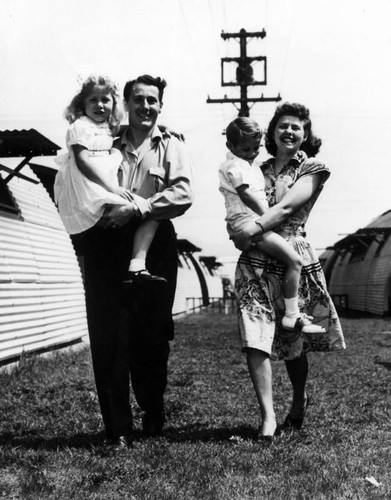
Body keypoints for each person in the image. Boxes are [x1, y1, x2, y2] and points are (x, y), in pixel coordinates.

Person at [80, 74, 193, 449]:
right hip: (106, 242)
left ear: (161, 106)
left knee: (152, 334)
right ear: (125, 104)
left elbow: (182, 193)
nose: (146, 107)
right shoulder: (102, 141)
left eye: (153, 101)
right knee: (109, 335)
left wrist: (137, 207)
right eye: (139, 100)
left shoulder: (172, 145)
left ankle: (152, 408)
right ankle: (118, 428)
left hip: (156, 242)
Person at [231, 103, 346, 441]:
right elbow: (236, 201)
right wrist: (237, 230)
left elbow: (287, 207)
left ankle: (298, 399)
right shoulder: (255, 167)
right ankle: (267, 416)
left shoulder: (312, 167)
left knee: (293, 341)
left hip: (292, 258)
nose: (289, 132)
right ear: (272, 132)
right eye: (283, 126)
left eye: (296, 127)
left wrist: (249, 231)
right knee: (255, 337)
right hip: (255, 262)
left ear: (306, 134)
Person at [219, 117, 325, 334]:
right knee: (294, 262)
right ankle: (292, 316)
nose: (252, 153)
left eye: (255, 148)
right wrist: (266, 219)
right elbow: (247, 195)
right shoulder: (239, 166)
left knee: (293, 348)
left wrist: (300, 153)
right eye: (246, 149)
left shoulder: (253, 165)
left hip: (253, 227)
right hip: (253, 225)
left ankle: (292, 315)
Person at [54, 74, 165, 282]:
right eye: (93, 100)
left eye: (105, 100)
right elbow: (82, 161)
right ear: (82, 104)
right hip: (87, 183)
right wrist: (111, 187)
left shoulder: (105, 126)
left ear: (114, 104)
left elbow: (121, 129)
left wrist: (160, 128)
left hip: (99, 182)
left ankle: (134, 264)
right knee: (138, 207)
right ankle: (133, 264)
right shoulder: (79, 126)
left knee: (137, 211)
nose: (99, 105)